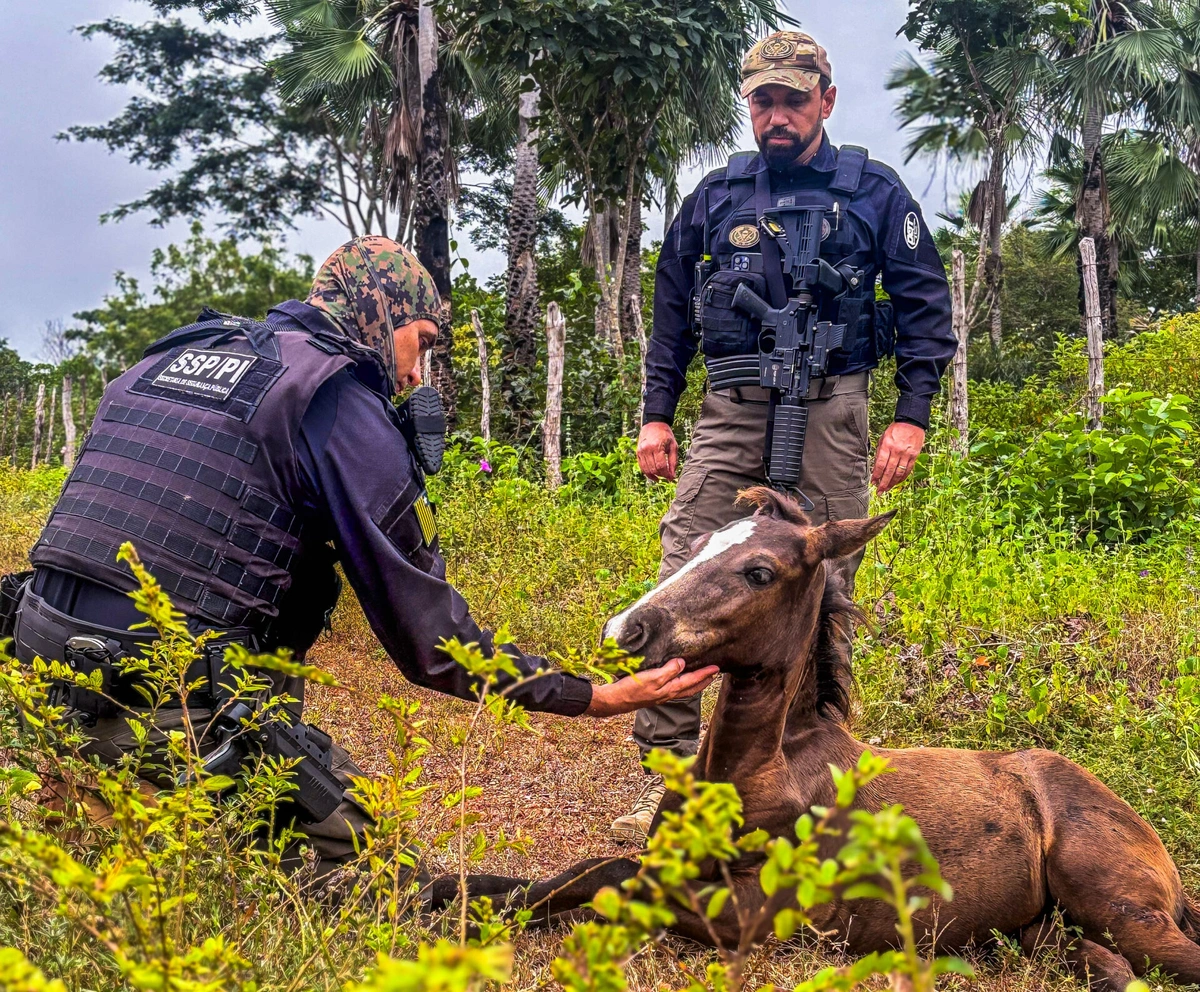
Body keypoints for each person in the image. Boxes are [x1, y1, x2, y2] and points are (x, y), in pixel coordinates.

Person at [9, 236, 717, 875]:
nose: (416, 373)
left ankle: (95, 795)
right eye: (422, 342)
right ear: (383, 312)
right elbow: (434, 644)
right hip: (163, 699)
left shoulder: (167, 356)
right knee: (375, 877)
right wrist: (594, 697)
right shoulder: (332, 395)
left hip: (38, 677)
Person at [610, 31, 957, 843]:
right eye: (763, 100)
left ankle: (805, 775)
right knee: (686, 572)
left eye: (793, 100)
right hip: (732, 407)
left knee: (823, 583)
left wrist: (911, 416)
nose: (777, 115)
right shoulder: (716, 195)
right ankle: (671, 779)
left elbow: (925, 311)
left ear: (825, 100)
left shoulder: (875, 191)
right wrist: (656, 413)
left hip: (833, 405)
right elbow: (671, 315)